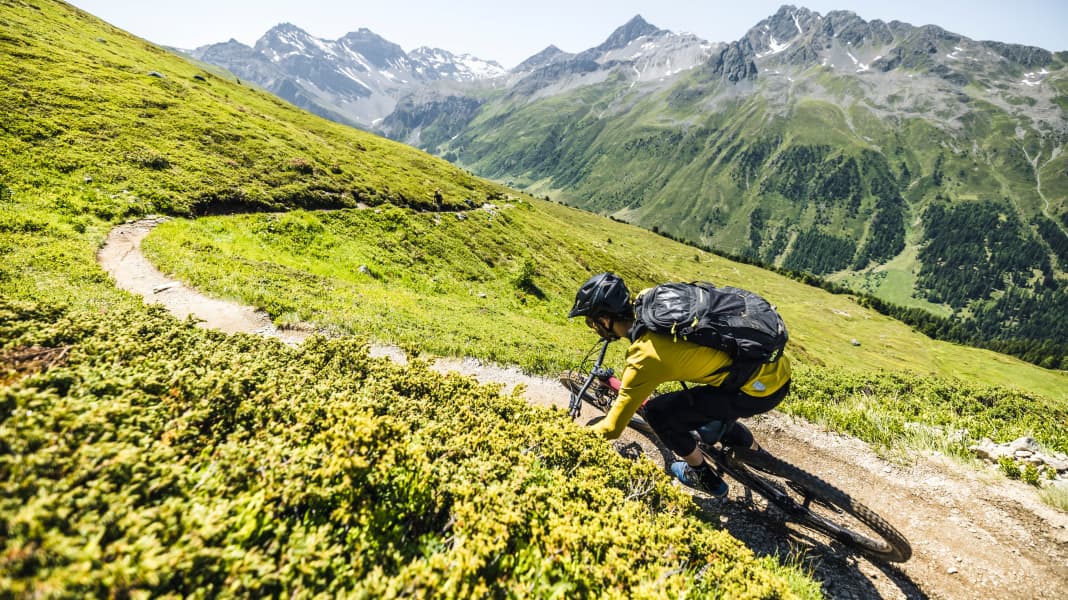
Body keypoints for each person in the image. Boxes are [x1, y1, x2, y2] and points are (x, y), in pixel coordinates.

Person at [568, 272, 792, 497]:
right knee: (710, 408)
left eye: (592, 322)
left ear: (605, 320)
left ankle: (705, 478)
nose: (594, 327)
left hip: (755, 393)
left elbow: (612, 428)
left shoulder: (643, 359)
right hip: (774, 367)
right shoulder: (652, 297)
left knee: (657, 413)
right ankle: (761, 458)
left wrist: (565, 437)